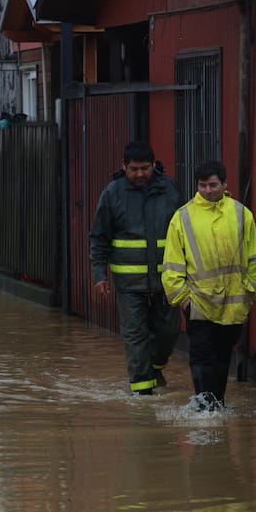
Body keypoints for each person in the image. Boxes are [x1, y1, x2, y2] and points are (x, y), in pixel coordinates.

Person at [161, 160, 256, 411]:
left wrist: (250, 294)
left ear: (225, 184)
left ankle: (217, 406)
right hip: (199, 304)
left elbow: (255, 259)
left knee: (222, 357)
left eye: (213, 185)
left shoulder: (241, 214)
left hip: (234, 306)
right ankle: (206, 409)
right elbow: (172, 266)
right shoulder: (182, 217)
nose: (207, 190)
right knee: (201, 357)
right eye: (203, 185)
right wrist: (184, 301)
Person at [90, 141, 183, 395]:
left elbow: (185, 229)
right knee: (135, 335)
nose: (140, 174)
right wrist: (99, 275)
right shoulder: (113, 193)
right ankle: (142, 395)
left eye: (145, 168)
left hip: (167, 279)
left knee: (169, 331)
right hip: (129, 283)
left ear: (154, 165)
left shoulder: (170, 188)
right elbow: (99, 236)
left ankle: (154, 368)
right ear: (123, 166)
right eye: (134, 169)